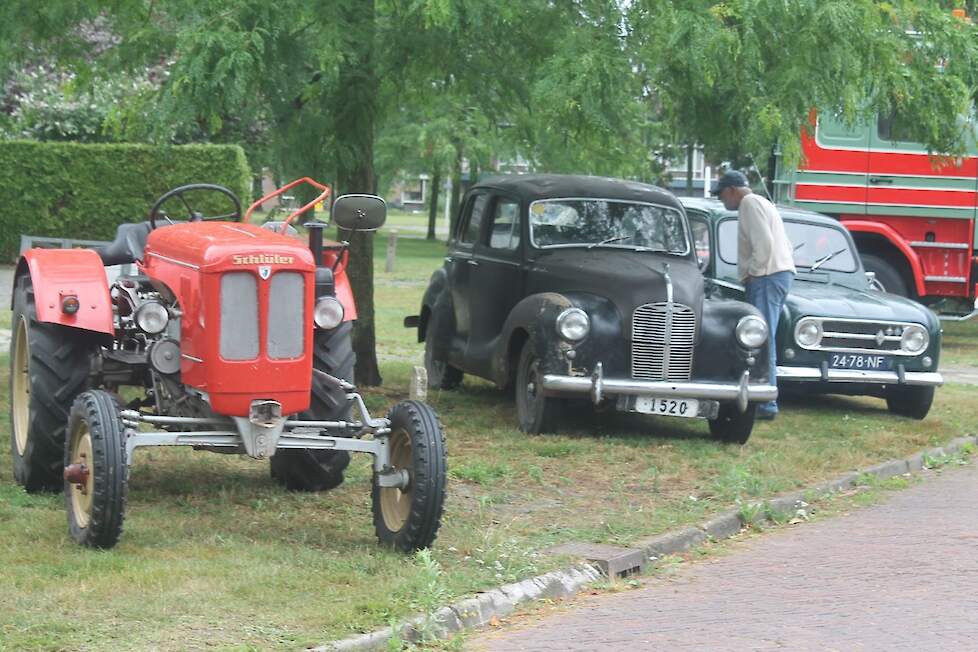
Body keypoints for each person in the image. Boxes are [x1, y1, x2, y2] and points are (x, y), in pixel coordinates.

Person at [713, 170, 795, 420]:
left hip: (767, 276)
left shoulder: (749, 204)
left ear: (733, 190)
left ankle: (767, 402)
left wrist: (753, 273)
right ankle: (765, 397)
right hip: (779, 274)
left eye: (722, 195)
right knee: (763, 335)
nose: (722, 201)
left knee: (760, 337)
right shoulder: (763, 203)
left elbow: (764, 244)